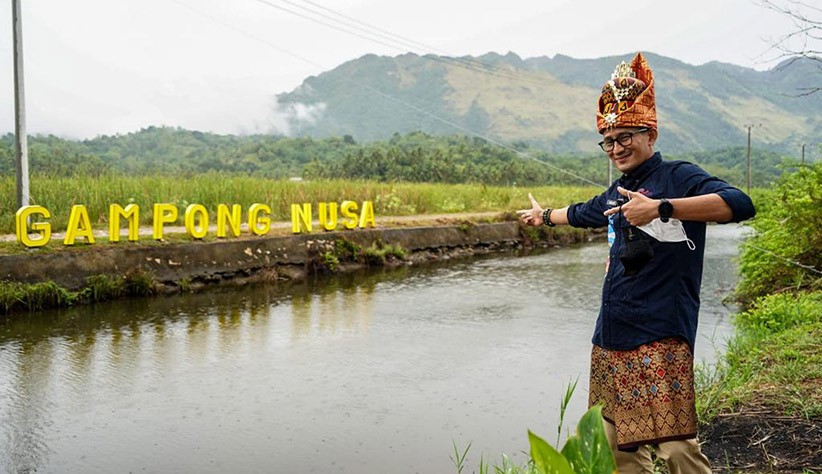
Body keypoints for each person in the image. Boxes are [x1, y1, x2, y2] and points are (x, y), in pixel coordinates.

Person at [518, 53, 755, 474]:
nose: (616, 148)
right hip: (612, 332)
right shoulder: (616, 191)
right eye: (608, 140)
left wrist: (662, 208)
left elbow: (739, 204)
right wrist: (544, 216)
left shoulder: (679, 177)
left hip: (661, 329)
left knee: (677, 446)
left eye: (626, 136)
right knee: (618, 448)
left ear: (651, 133)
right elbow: (582, 212)